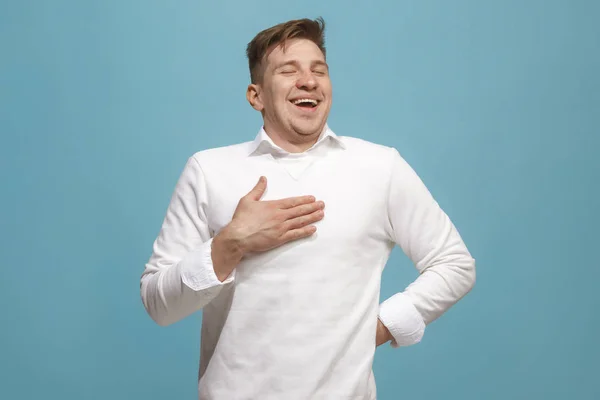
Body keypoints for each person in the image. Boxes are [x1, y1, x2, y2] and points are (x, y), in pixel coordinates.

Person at [140, 17, 476, 400]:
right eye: (288, 70)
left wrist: (380, 327)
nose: (309, 81)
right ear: (257, 96)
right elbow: (157, 304)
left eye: (320, 70)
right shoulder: (209, 170)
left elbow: (455, 263)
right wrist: (229, 244)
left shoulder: (380, 167)